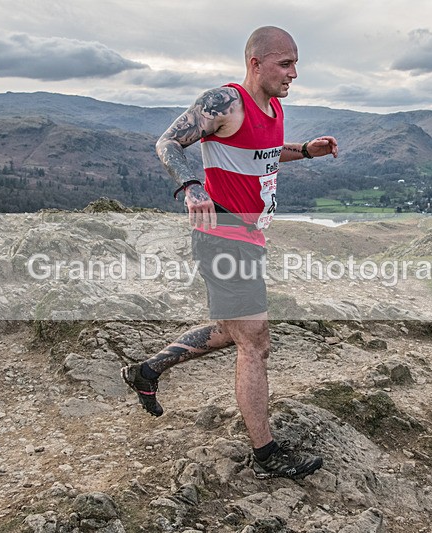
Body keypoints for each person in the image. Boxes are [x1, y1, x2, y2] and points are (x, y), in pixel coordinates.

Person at [121, 26, 338, 480]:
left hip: (249, 234)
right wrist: (191, 185)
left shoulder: (273, 107)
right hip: (221, 233)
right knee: (255, 342)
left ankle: (148, 370)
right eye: (285, 63)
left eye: (296, 63)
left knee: (232, 329)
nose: (294, 73)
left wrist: (305, 150)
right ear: (255, 63)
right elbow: (166, 142)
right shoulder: (224, 101)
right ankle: (266, 455)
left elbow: (264, 152)